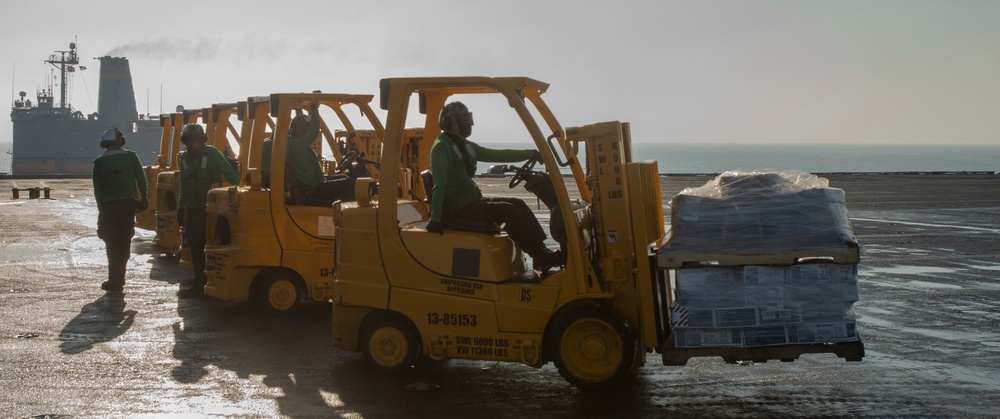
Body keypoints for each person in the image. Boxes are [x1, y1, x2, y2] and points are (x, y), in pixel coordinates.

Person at [426, 101, 564, 272]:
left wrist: (531, 153)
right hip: (459, 208)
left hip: (472, 201)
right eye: (464, 119)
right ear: (450, 122)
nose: (468, 123)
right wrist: (435, 219)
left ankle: (541, 251)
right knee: (508, 211)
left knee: (517, 203)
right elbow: (439, 185)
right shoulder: (441, 148)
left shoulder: (463, 145)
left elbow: (498, 154)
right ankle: (541, 256)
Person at [176, 123, 240, 298]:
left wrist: (238, 194)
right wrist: (181, 208)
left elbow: (232, 175)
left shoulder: (213, 154)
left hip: (211, 209)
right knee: (193, 245)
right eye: (189, 140)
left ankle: (202, 282)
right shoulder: (184, 159)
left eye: (195, 139)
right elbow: (184, 185)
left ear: (202, 139)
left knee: (199, 243)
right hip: (192, 209)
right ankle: (201, 279)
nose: (192, 143)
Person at [92, 127, 148, 292]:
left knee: (111, 241)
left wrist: (101, 211)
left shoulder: (99, 162)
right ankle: (121, 275)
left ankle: (113, 278)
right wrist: (144, 198)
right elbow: (141, 179)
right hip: (128, 205)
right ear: (121, 141)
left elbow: (98, 191)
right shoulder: (131, 157)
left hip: (109, 207)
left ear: (104, 144)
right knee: (125, 239)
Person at [282, 102, 354, 205]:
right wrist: (314, 107)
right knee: (351, 185)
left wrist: (299, 109)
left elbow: (299, 123)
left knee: (344, 178)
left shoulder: (293, 143)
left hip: (312, 185)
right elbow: (314, 131)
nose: (308, 131)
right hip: (313, 189)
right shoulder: (297, 146)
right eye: (307, 128)